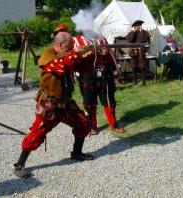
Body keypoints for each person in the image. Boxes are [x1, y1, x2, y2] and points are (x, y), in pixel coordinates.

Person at [13, 32, 94, 178]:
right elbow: (62, 66)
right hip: (50, 104)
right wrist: (75, 53)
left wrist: (91, 54)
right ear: (61, 45)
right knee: (37, 133)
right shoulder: (48, 57)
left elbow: (83, 68)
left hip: (66, 103)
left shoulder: (65, 55)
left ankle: (76, 153)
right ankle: (19, 164)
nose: (71, 49)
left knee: (83, 123)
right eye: (69, 47)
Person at [75, 38, 125, 135]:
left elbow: (111, 58)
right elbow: (74, 62)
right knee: (89, 103)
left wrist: (106, 54)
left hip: (104, 77)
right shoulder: (77, 41)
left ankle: (113, 124)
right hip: (87, 77)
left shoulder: (101, 39)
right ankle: (91, 126)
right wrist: (82, 56)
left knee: (109, 101)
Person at [125, 20, 150, 85]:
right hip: (133, 52)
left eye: (139, 25)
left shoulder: (145, 33)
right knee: (133, 67)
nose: (138, 27)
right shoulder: (131, 33)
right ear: (134, 26)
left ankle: (143, 82)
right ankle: (135, 81)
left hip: (141, 51)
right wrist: (134, 32)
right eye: (137, 25)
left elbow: (145, 41)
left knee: (142, 66)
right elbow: (129, 40)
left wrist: (141, 32)